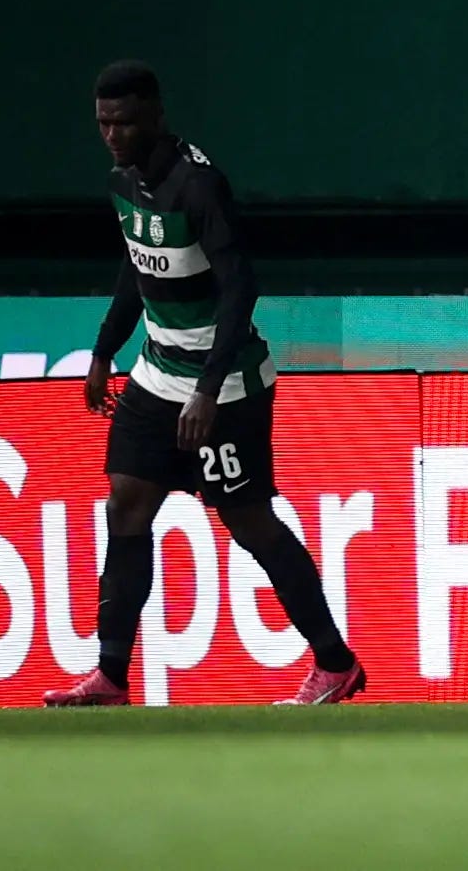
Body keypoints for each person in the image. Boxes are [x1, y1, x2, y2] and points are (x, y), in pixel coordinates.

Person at [45, 61, 365, 707]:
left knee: (249, 523)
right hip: (156, 373)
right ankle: (110, 674)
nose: (113, 133)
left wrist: (209, 389)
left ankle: (336, 662)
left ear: (156, 116)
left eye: (126, 121)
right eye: (104, 122)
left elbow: (241, 286)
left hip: (228, 383)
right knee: (126, 505)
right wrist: (105, 350)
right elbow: (138, 267)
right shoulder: (122, 182)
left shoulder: (198, 184)